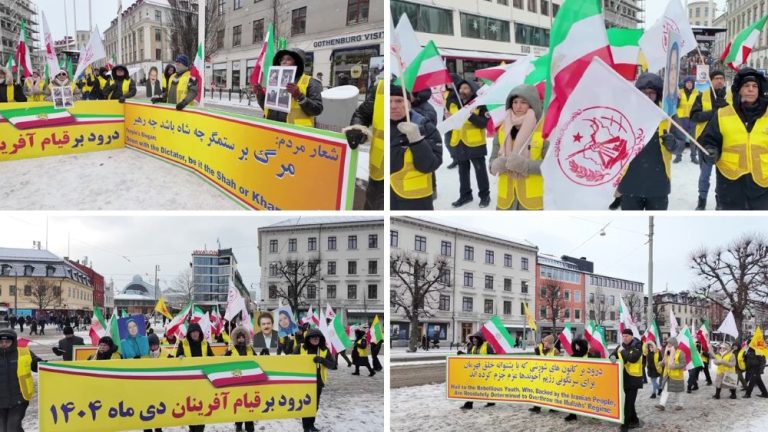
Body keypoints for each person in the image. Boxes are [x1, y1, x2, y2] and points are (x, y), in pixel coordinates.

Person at [699, 67, 768, 210]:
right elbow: (709, 140)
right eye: (746, 86)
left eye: (755, 86)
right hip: (730, 184)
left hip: (763, 186)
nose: (751, 89)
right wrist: (711, 150)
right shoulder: (723, 114)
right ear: (739, 90)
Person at [617, 73, 683, 210]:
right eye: (643, 93)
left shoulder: (668, 115)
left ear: (658, 95)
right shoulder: (627, 114)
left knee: (656, 225)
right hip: (630, 183)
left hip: (658, 185)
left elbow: (681, 144)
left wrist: (673, 144)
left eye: (652, 93)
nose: (647, 97)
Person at [489, 84, 545, 210]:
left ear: (532, 104)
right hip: (506, 202)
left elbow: (552, 167)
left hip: (532, 203)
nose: (518, 106)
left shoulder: (543, 129)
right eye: (515, 102)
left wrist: (526, 166)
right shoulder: (503, 128)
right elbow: (491, 161)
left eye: (524, 102)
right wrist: (495, 165)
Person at [390, 85, 442, 210]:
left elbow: (431, 165)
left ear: (409, 104)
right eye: (389, 101)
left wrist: (417, 140)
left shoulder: (426, 127)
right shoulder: (381, 125)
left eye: (399, 101)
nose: (393, 106)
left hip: (414, 200)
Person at [689, 69, 731, 210]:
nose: (719, 81)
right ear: (711, 81)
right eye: (716, 78)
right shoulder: (702, 96)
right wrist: (714, 112)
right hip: (704, 142)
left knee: (723, 176)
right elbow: (694, 116)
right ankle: (702, 199)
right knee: (705, 174)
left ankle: (720, 199)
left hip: (726, 142)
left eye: (722, 78)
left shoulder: (731, 97)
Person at [255, 48, 323, 126]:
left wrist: (300, 97)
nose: (283, 62)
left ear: (297, 63)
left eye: (288, 59)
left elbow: (317, 110)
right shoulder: (275, 80)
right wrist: (260, 95)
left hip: (295, 132)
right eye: (282, 59)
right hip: (272, 128)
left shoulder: (311, 82)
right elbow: (268, 109)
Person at [449, 79, 491, 208]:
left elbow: (483, 123)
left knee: (480, 171)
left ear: (472, 90)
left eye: (466, 88)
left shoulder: (480, 104)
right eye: (461, 88)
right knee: (462, 171)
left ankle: (484, 196)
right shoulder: (453, 103)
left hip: (475, 143)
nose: (462, 91)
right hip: (459, 142)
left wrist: (469, 115)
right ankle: (465, 195)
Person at [344, 78, 384, 209]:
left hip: (405, 180)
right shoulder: (381, 87)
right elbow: (362, 114)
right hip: (378, 170)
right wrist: (358, 128)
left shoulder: (418, 89)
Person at [0, 329, 42, 432]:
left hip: (19, 399)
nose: (4, 344)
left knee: (12, 428)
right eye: (1, 342)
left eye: (7, 342)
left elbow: (37, 365)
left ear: (14, 342)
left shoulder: (23, 352)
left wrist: (45, 364)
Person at [299, 328, 337, 432]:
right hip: (303, 382)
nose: (316, 339)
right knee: (306, 405)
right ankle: (306, 427)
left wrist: (322, 360)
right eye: (313, 337)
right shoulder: (300, 347)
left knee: (314, 406)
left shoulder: (324, 350)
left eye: (318, 337)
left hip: (318, 383)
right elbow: (291, 360)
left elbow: (333, 365)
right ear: (308, 338)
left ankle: (311, 425)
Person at [609, 329, 643, 431]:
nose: (625, 338)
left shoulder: (638, 345)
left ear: (631, 337)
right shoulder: (621, 346)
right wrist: (613, 358)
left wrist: (622, 351)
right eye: (623, 336)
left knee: (628, 403)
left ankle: (625, 424)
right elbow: (611, 355)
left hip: (634, 379)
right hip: (624, 378)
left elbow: (633, 358)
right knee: (630, 402)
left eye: (627, 336)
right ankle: (635, 420)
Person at [461, 331, 495, 410]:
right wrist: (462, 354)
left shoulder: (487, 345)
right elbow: (470, 357)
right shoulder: (473, 347)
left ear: (480, 339)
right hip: (475, 371)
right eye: (473, 340)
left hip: (486, 371)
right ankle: (469, 404)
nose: (474, 341)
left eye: (475, 340)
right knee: (472, 387)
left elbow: (493, 357)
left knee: (486, 387)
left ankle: (491, 401)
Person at [528, 334, 559, 414]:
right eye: (544, 341)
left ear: (549, 343)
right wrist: (536, 352)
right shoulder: (541, 349)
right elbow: (538, 359)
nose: (543, 342)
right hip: (541, 374)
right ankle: (537, 407)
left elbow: (558, 363)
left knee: (551, 392)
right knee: (538, 391)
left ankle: (554, 407)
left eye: (545, 341)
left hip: (550, 375)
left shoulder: (555, 351)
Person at [656, 336, 686, 412]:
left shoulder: (680, 353)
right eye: (668, 343)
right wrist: (661, 363)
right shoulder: (667, 352)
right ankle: (662, 404)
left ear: (674, 344)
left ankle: (679, 404)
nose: (668, 345)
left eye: (670, 343)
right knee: (665, 390)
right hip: (668, 375)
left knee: (678, 391)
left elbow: (683, 364)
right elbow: (665, 362)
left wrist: (674, 366)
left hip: (677, 376)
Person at [564, 337, 590, 422]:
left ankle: (592, 413)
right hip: (575, 381)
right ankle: (572, 414)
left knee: (589, 398)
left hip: (587, 381)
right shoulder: (574, 355)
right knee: (573, 397)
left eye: (578, 346)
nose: (577, 347)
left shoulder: (590, 356)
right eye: (576, 346)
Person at [674, 77, 699, 164]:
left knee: (693, 139)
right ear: (684, 84)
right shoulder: (679, 92)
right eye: (687, 82)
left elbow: (699, 106)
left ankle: (693, 157)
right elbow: (675, 106)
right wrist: (678, 99)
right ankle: (678, 156)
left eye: (691, 82)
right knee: (680, 138)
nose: (689, 84)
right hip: (681, 118)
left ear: (693, 84)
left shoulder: (697, 93)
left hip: (692, 118)